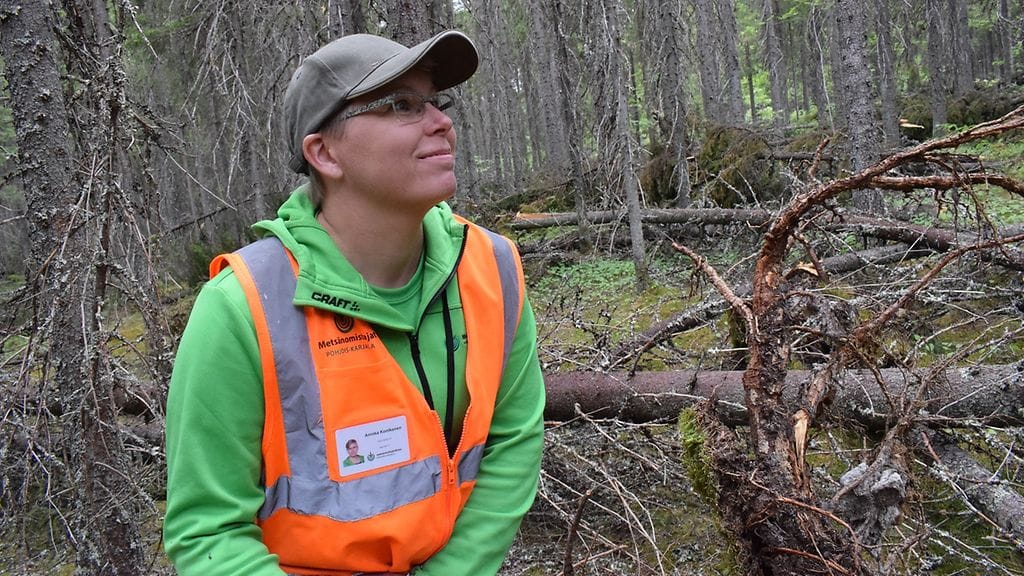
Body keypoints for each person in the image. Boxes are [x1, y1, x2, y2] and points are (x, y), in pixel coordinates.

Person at [163, 30, 546, 576]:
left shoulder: (492, 269)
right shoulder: (243, 308)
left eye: (436, 102)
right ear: (324, 153)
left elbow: (513, 439)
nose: (442, 123)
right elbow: (208, 534)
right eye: (402, 106)